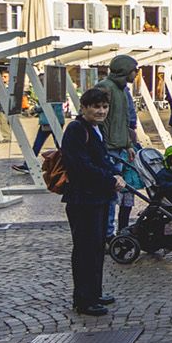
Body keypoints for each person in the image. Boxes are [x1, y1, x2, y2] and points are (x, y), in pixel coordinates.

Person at [59, 87, 121, 317]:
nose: (101, 111)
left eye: (104, 107)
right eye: (96, 107)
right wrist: (109, 179)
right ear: (84, 107)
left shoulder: (95, 128)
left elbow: (100, 159)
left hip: (99, 197)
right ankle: (83, 299)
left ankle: (94, 292)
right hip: (83, 199)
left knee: (96, 248)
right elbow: (80, 165)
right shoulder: (76, 129)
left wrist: (114, 172)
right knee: (85, 249)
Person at [93, 55, 140, 233]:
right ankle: (107, 233)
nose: (136, 73)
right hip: (109, 150)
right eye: (135, 69)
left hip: (119, 149)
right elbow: (100, 120)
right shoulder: (106, 87)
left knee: (116, 193)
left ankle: (111, 231)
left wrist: (128, 144)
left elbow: (124, 120)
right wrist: (103, 147)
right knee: (109, 195)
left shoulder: (122, 90)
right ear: (125, 69)